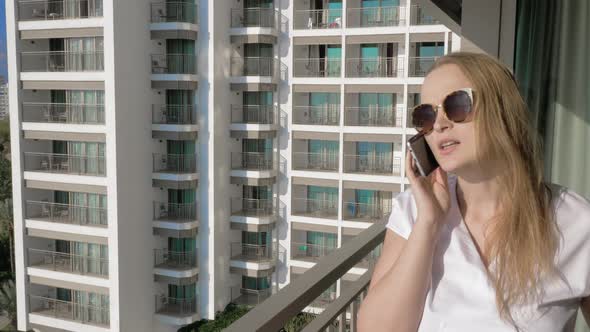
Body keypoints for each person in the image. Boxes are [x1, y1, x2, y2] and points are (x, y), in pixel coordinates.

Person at [356, 52, 590, 332]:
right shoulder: (413, 210)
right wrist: (428, 225)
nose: (439, 124)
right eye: (426, 115)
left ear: (503, 110)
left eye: (456, 105)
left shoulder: (576, 222)